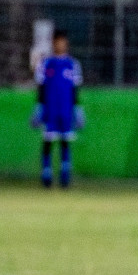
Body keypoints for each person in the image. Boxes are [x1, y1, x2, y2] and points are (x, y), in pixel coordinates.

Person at [34, 30, 84, 187]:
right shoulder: (46, 63)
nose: (60, 45)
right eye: (57, 41)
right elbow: (41, 87)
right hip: (50, 109)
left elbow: (75, 89)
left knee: (65, 141)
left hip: (66, 109)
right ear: (53, 43)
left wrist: (77, 109)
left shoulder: (73, 64)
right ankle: (46, 171)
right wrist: (39, 106)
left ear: (66, 43)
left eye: (63, 42)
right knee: (48, 140)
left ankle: (65, 172)